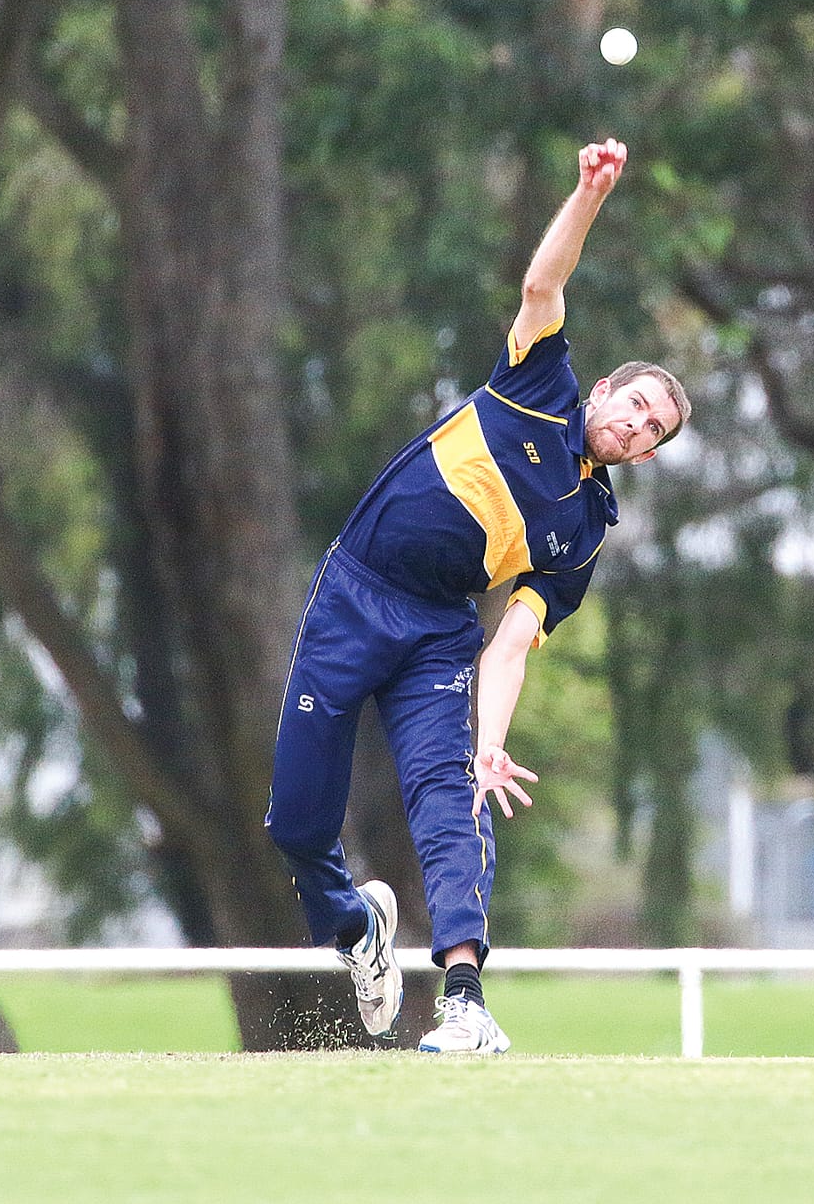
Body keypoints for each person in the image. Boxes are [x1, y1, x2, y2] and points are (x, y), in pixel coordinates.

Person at [264, 137, 689, 1054]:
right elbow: (543, 283)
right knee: (295, 820)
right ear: (604, 389)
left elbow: (510, 643)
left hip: (437, 636)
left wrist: (490, 742)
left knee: (453, 794)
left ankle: (464, 1002)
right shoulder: (539, 384)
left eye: (651, 428)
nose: (634, 424)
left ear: (649, 453)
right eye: (634, 404)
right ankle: (356, 930)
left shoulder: (583, 536)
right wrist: (589, 194)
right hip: (352, 595)